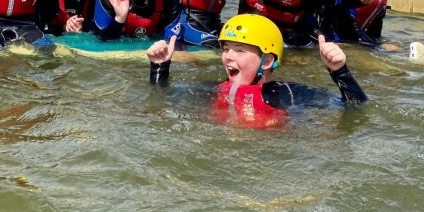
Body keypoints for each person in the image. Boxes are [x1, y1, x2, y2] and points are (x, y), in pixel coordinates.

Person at [146, 14, 368, 128]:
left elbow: (356, 107)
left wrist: (339, 71)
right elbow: (160, 98)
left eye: (240, 50)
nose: (229, 56)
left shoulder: (285, 94)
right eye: (226, 49)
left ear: (267, 61)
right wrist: (160, 67)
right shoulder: (213, 90)